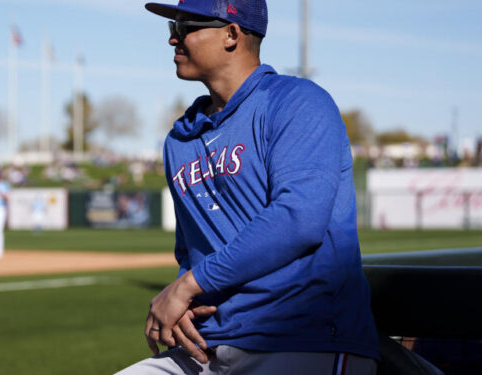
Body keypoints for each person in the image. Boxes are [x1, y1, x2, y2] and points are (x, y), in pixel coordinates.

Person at [117, 1, 380, 374]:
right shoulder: (180, 139)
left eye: (186, 26)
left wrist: (189, 285)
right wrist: (185, 300)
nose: (174, 38)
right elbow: (190, 251)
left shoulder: (297, 102)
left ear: (231, 33)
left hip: (302, 338)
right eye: (172, 27)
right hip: (207, 345)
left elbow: (298, 218)